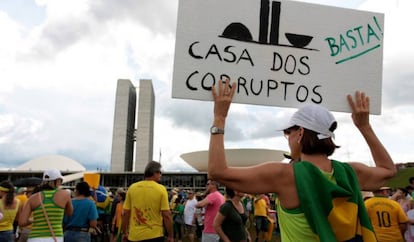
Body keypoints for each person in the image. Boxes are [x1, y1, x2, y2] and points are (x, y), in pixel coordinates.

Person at [208, 79, 397, 242]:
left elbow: (217, 172)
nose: (287, 137)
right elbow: (388, 170)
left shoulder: (285, 175)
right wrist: (364, 126)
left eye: (288, 132)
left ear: (300, 133)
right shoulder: (351, 172)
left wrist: (220, 117)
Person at [122, 161, 174, 242]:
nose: (161, 175)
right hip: (154, 235)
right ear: (154, 173)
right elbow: (166, 215)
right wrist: (171, 235)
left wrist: (124, 232)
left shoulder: (132, 188)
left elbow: (125, 213)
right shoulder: (161, 189)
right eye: (160, 172)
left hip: (135, 236)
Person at [19, 168, 73, 242]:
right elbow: (69, 213)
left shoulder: (33, 197)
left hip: (35, 238)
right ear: (57, 181)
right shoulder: (65, 194)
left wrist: (32, 220)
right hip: (55, 237)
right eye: (61, 181)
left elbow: (22, 222)